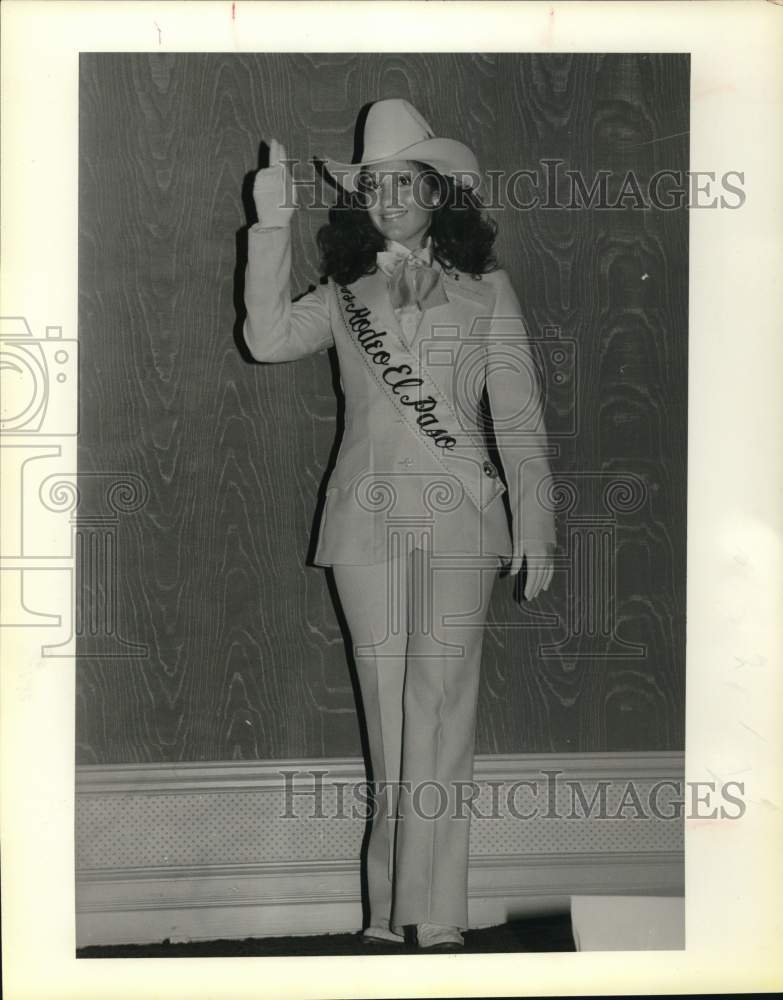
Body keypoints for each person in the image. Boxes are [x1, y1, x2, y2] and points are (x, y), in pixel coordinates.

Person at [243, 98, 555, 951]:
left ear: (437, 190)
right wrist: (270, 226)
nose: (385, 197)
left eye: (401, 182)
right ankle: (387, 914)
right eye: (371, 185)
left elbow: (519, 416)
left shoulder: (486, 291)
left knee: (443, 707)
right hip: (364, 525)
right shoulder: (345, 296)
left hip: (462, 520)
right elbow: (267, 339)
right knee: (386, 713)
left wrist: (537, 525)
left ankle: (438, 914)